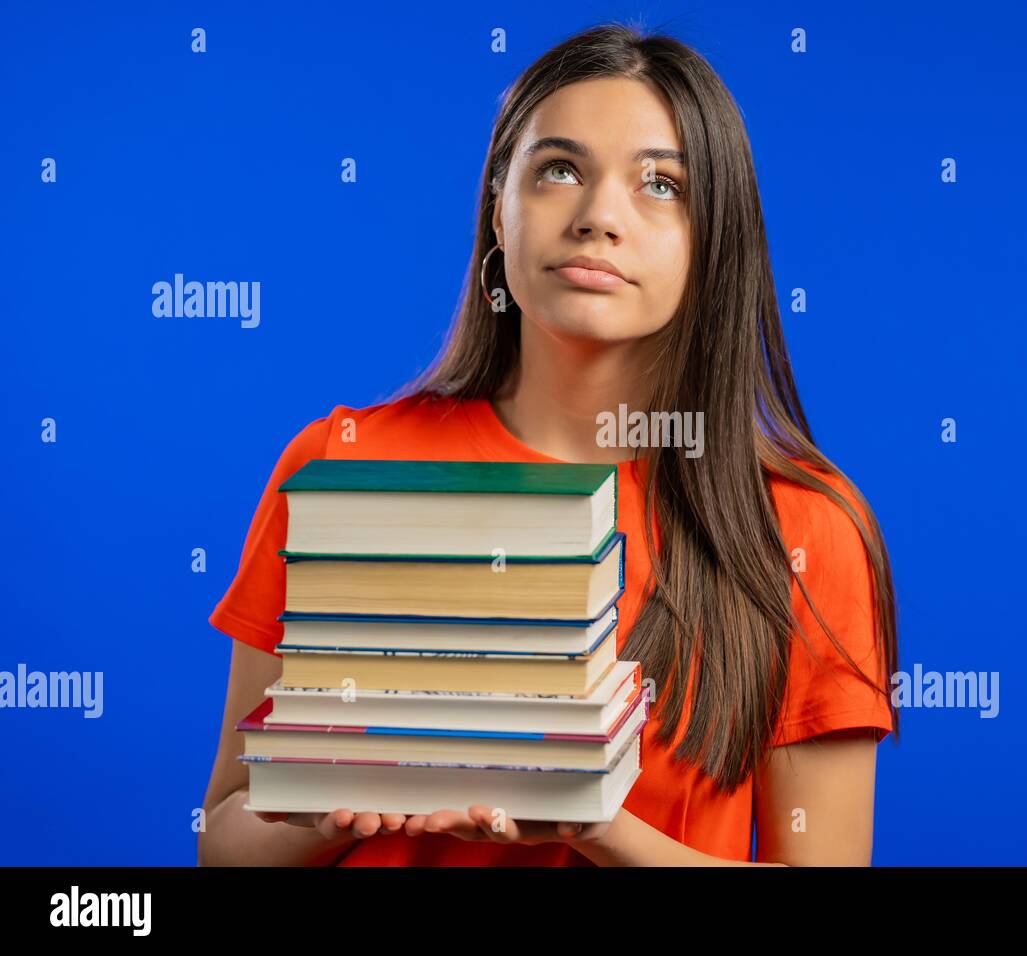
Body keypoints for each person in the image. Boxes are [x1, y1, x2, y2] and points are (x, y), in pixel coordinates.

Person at [197, 22, 899, 867]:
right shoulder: (337, 467)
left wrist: (594, 820)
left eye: (662, 185)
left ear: (713, 241)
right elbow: (223, 840)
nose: (599, 217)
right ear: (499, 206)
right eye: (559, 170)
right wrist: (321, 805)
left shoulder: (800, 527)